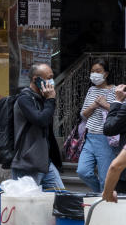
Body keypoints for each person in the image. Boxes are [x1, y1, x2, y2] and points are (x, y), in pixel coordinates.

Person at [12, 62, 64, 190]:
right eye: (48, 78)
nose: (52, 81)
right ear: (36, 79)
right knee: (27, 203)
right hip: (28, 163)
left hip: (45, 162)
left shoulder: (42, 98)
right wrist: (51, 100)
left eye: (52, 77)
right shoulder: (24, 99)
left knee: (61, 198)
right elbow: (41, 120)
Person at [76, 60, 118, 192]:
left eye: (98, 71)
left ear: (106, 74)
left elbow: (120, 114)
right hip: (89, 136)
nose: (94, 74)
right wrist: (94, 105)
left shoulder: (116, 90)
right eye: (92, 71)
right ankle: (101, 193)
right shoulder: (91, 90)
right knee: (83, 171)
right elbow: (83, 114)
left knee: (105, 178)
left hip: (106, 139)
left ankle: (104, 203)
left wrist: (105, 105)